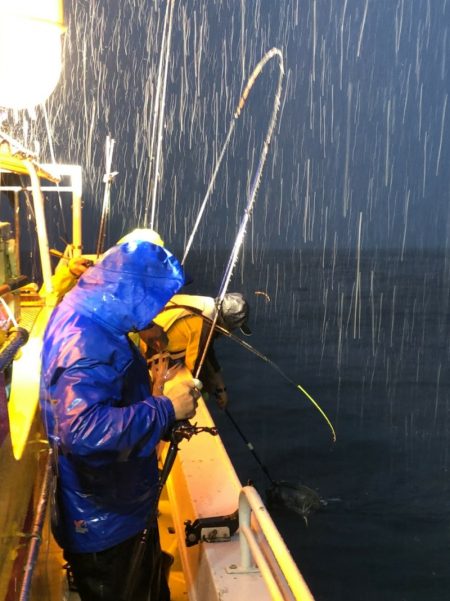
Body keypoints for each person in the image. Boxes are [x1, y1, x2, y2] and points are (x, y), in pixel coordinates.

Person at [39, 237, 200, 601]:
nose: (159, 307)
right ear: (130, 291)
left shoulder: (83, 314)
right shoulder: (87, 343)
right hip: (107, 524)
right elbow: (82, 432)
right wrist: (167, 409)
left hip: (109, 509)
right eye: (155, 297)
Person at [143, 292, 251, 409]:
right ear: (226, 324)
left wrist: (220, 387)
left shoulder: (204, 306)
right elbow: (194, 366)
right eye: (231, 328)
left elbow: (207, 350)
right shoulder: (202, 324)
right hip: (146, 347)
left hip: (144, 326)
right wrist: (202, 391)